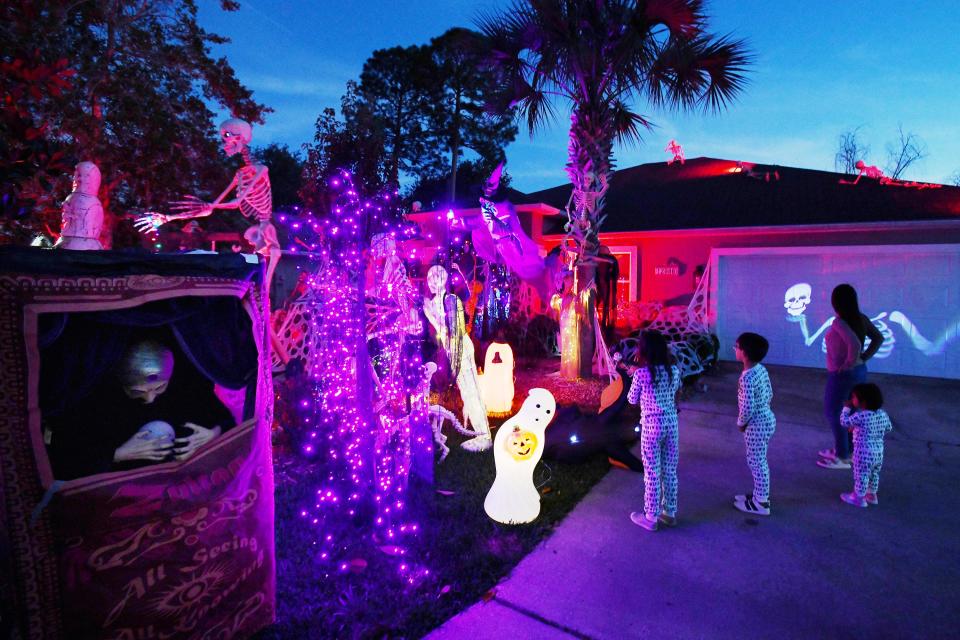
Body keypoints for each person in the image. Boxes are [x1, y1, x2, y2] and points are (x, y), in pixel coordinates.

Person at [48, 340, 235, 480]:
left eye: (159, 388)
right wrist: (117, 454)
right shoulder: (98, 404)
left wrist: (213, 434)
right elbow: (65, 455)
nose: (150, 399)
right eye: (137, 391)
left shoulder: (185, 391)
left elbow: (224, 418)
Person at [817, 284, 885, 470]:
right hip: (859, 371)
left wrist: (848, 362)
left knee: (834, 413)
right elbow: (878, 338)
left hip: (843, 375)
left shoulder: (839, 322)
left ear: (836, 302)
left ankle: (842, 457)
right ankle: (847, 451)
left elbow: (854, 344)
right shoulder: (860, 319)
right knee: (850, 413)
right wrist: (862, 359)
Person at [626, 330, 681, 531]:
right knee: (670, 471)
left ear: (644, 350)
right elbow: (675, 391)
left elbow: (631, 399)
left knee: (652, 472)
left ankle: (650, 517)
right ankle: (670, 513)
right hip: (671, 425)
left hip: (652, 427)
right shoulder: (673, 371)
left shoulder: (641, 374)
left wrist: (634, 378)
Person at [732, 332, 776, 516]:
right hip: (767, 418)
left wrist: (741, 423)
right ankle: (759, 495)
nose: (735, 349)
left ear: (744, 352)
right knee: (758, 460)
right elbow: (770, 393)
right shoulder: (761, 369)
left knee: (757, 462)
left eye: (737, 346)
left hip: (756, 424)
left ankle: (761, 502)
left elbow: (747, 407)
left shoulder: (747, 377)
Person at [839, 383, 893, 508]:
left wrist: (846, 409)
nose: (852, 400)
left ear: (863, 401)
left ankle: (858, 498)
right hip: (878, 452)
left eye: (854, 397)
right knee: (874, 473)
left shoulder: (860, 416)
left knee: (861, 474)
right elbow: (888, 428)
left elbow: (844, 422)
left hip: (862, 451)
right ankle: (872, 495)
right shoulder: (882, 414)